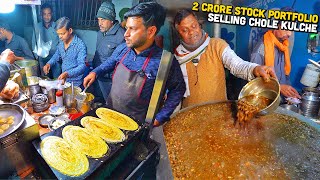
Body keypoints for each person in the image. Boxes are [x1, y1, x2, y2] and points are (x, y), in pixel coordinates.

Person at [83, 2, 186, 127]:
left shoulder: (165, 61)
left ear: (151, 31)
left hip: (137, 127)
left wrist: (160, 117)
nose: (126, 34)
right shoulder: (123, 49)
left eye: (132, 29)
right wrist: (95, 72)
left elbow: (178, 89)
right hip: (111, 116)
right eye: (127, 28)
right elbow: (110, 62)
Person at [173, 9, 276, 108]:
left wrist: (255, 69)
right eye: (184, 30)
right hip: (189, 117)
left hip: (219, 114)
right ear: (179, 34)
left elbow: (237, 65)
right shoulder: (176, 57)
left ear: (199, 25)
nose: (191, 32)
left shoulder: (217, 45)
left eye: (194, 26)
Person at [251, 9, 300, 99]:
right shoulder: (261, 48)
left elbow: (285, 74)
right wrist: (279, 87)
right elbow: (255, 80)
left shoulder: (284, 46)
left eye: (292, 29)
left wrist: (290, 95)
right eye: (286, 28)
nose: (289, 34)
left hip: (281, 99)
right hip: (267, 99)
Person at [93, 1, 125, 102]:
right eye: (98, 19)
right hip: (97, 74)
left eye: (103, 20)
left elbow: (120, 63)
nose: (100, 23)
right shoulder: (100, 33)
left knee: (109, 104)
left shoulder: (121, 36)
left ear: (111, 20)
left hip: (110, 81)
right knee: (97, 100)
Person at [43, 17, 87, 87]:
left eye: (62, 34)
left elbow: (82, 66)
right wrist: (49, 63)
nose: (60, 37)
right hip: (64, 81)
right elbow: (57, 55)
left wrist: (67, 73)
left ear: (70, 30)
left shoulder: (80, 45)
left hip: (75, 83)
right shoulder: (61, 42)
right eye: (58, 34)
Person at [32, 3, 61, 78]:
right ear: (41, 15)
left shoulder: (57, 26)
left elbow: (61, 42)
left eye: (49, 14)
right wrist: (37, 58)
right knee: (45, 79)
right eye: (44, 14)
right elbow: (34, 43)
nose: (46, 16)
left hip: (55, 57)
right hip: (42, 59)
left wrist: (60, 56)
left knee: (56, 79)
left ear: (52, 14)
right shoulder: (37, 27)